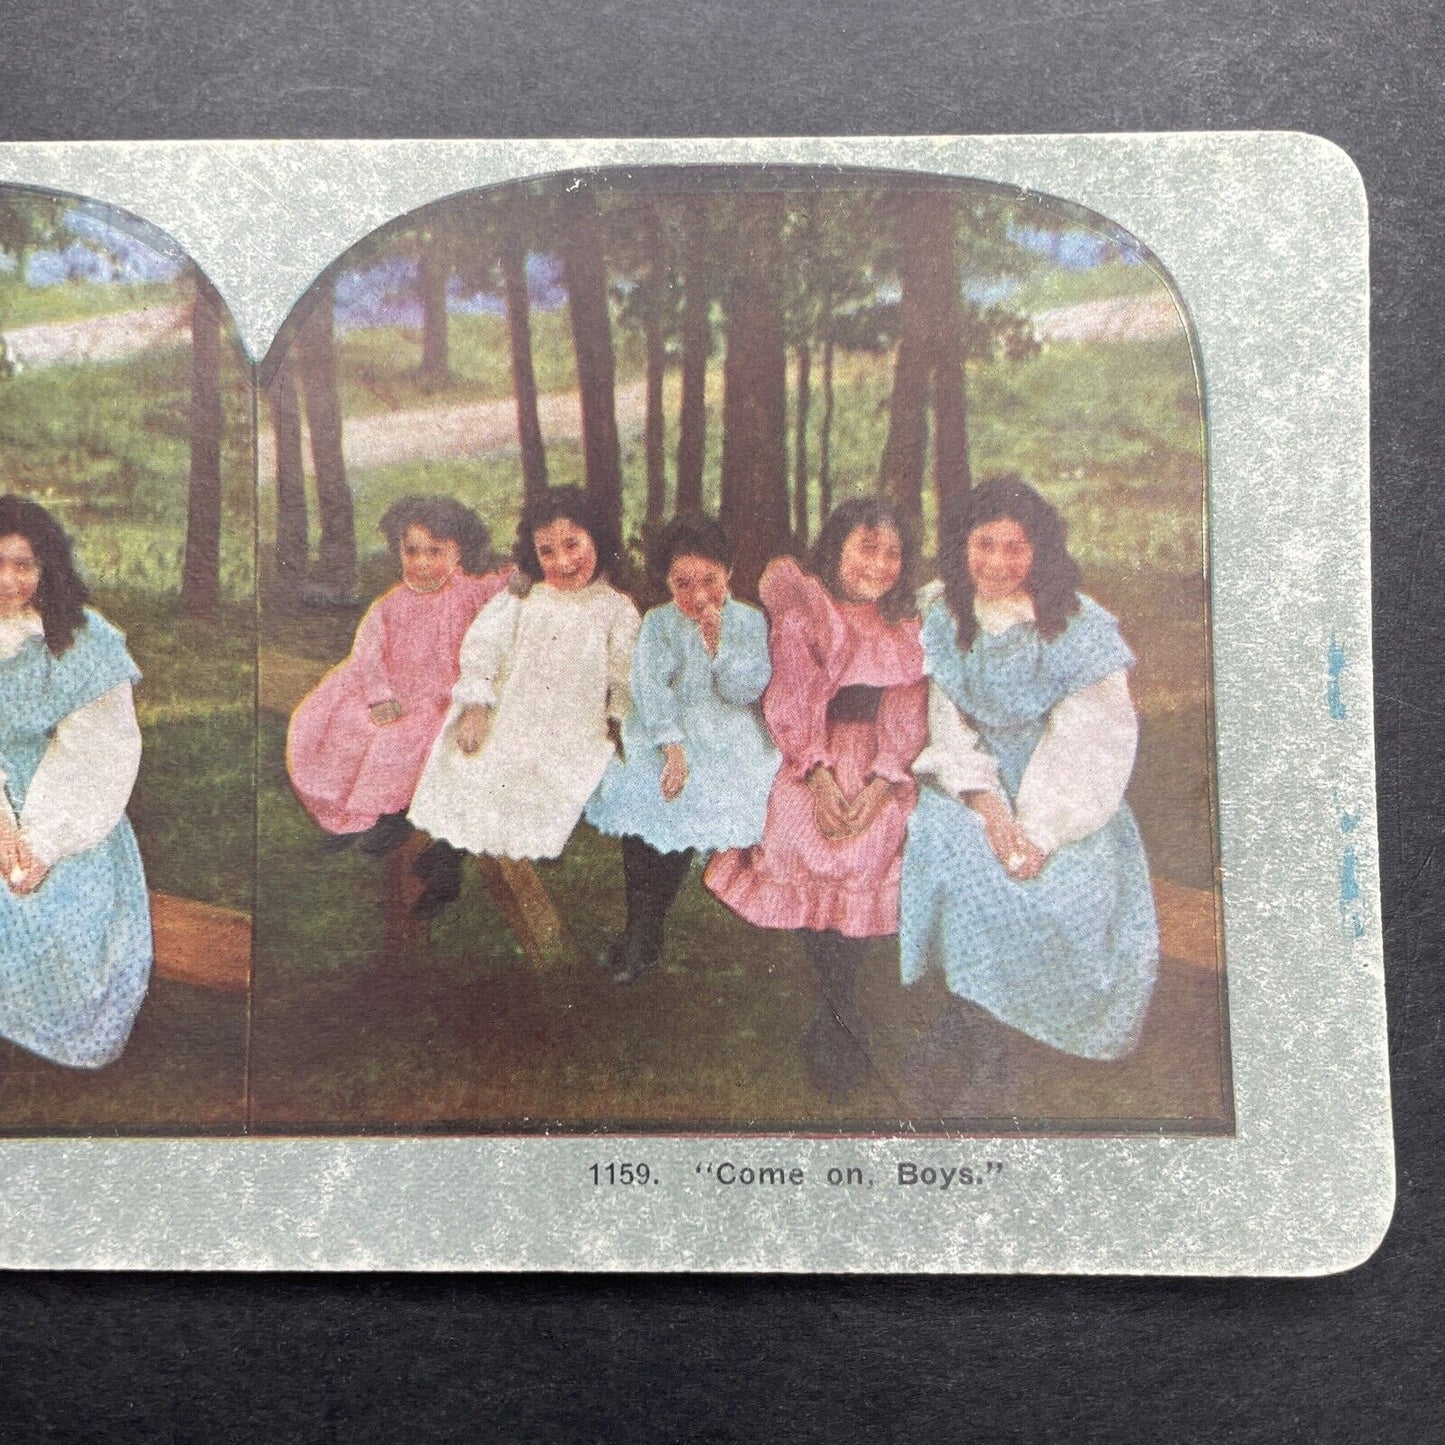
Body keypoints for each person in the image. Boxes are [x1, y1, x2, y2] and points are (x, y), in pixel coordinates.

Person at [899, 476, 1160, 1116]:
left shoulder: (1076, 626)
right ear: (961, 547)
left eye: (1016, 548)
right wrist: (987, 807)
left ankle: (980, 1031)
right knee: (967, 865)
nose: (997, 563)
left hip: (1063, 796)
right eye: (983, 544)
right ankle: (988, 1050)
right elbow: (948, 723)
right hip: (970, 786)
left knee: (1050, 893)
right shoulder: (943, 613)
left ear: (1040, 551)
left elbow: (1091, 742)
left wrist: (1038, 830)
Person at [704, 497, 927, 1098]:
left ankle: (840, 1000)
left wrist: (883, 782)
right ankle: (832, 1002)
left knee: (871, 841)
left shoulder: (904, 632)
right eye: (865, 548)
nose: (877, 564)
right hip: (815, 757)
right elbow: (794, 702)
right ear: (835, 550)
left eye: (891, 554)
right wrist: (820, 776)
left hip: (877, 762)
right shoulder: (808, 616)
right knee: (803, 830)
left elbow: (907, 716)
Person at [408, 487, 641, 919]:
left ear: (597, 540)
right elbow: (484, 646)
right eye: (547, 551)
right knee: (475, 760)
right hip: (512, 710)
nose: (563, 562)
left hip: (572, 723)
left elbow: (622, 674)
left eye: (573, 545)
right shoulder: (525, 597)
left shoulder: (616, 610)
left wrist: (617, 717)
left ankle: (520, 845)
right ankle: (446, 860)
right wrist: (477, 705)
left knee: (544, 776)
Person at [585, 515, 779, 983]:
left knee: (682, 806)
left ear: (728, 573)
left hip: (729, 735)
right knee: (647, 802)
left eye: (709, 580)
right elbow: (651, 688)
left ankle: (645, 930)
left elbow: (746, 690)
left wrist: (718, 646)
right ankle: (642, 926)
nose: (697, 594)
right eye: (682, 582)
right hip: (668, 731)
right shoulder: (658, 623)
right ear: (667, 582)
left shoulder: (748, 620)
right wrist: (671, 747)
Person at [0, 496, 152, 1068]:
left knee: (44, 898)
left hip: (66, 797)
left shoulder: (82, 638)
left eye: (24, 564)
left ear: (48, 568)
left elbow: (100, 752)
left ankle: (33, 1037)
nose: (8, 580)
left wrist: (39, 840)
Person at [286, 496, 512, 857]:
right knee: (347, 726)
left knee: (407, 741)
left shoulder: (468, 593)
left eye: (435, 552)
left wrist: (523, 568)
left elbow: (505, 585)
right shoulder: (390, 604)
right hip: (391, 691)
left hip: (438, 698)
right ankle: (351, 818)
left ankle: (394, 818)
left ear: (459, 553)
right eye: (412, 551)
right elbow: (368, 655)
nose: (421, 562)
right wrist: (380, 696)